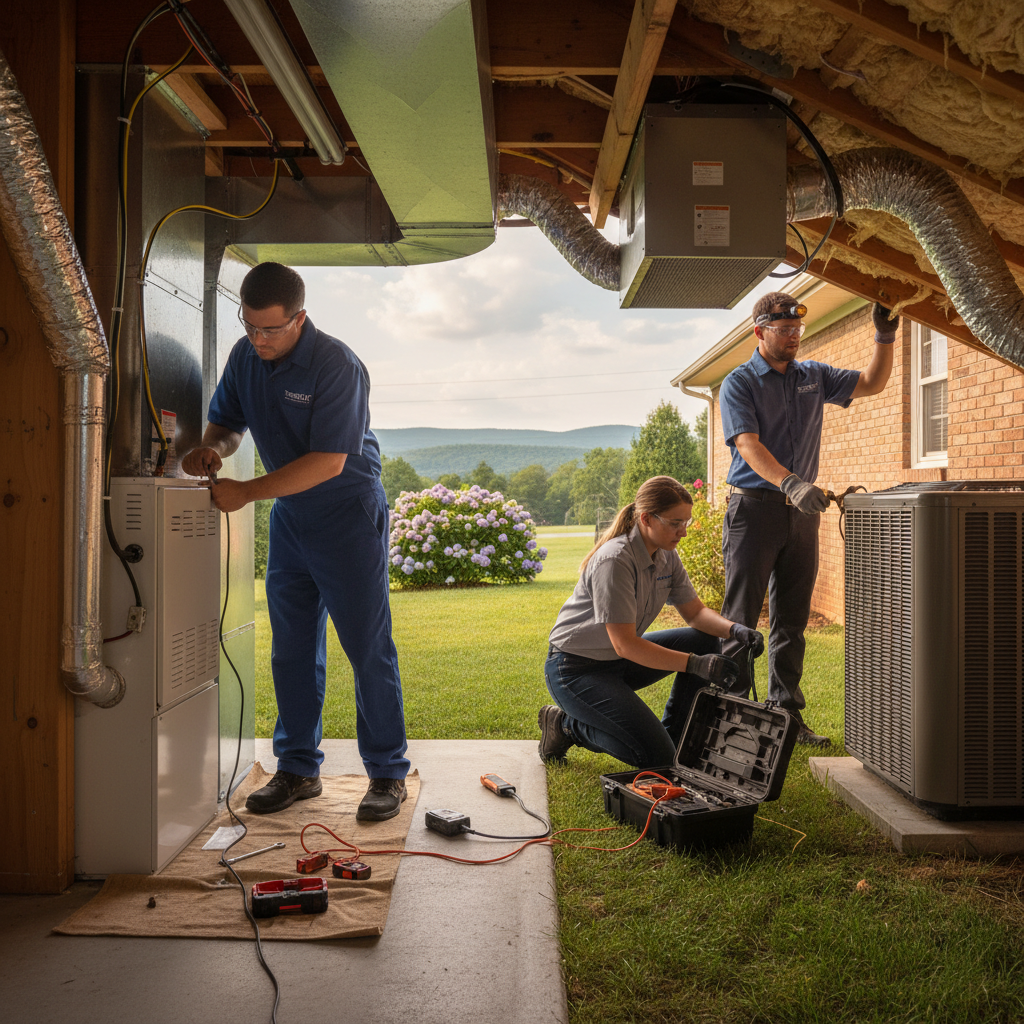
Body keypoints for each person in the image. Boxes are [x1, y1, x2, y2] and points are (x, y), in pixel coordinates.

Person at [180, 262, 409, 820]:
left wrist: (248, 491)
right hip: (290, 519)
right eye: (250, 326)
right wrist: (214, 447)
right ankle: (298, 769)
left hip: (346, 514)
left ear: (299, 318)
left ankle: (386, 773)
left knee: (365, 645)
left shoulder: (337, 364)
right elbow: (228, 423)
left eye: (270, 330)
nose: (258, 339)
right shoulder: (244, 356)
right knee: (291, 649)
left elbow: (329, 462)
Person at [718, 293, 897, 746]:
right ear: (759, 331)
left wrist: (885, 333)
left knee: (792, 619)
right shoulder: (739, 382)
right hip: (753, 510)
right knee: (740, 618)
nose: (794, 337)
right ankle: (734, 717)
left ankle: (786, 717)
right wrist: (792, 483)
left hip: (801, 516)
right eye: (784, 330)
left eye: (798, 329)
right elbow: (748, 445)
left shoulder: (813, 376)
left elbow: (873, 382)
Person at [538, 476, 764, 768]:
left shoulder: (666, 556)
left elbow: (695, 614)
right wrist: (697, 664)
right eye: (675, 523)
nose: (683, 532)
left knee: (703, 640)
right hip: (575, 670)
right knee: (653, 758)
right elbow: (626, 645)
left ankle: (674, 739)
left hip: (616, 663)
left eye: (687, 522)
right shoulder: (615, 560)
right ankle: (565, 725)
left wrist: (736, 631)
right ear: (646, 518)